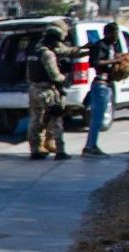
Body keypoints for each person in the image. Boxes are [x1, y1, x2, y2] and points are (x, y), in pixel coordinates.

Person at [25, 21, 79, 160]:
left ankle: (35, 150)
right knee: (56, 121)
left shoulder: (35, 50)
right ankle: (60, 151)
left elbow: (28, 74)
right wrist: (64, 78)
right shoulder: (48, 55)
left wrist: (80, 50)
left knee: (35, 121)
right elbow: (55, 76)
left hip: (33, 89)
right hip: (47, 91)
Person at [83, 22, 120, 156]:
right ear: (107, 34)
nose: (116, 36)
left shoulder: (112, 46)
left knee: (99, 118)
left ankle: (92, 145)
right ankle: (90, 147)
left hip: (108, 85)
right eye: (113, 34)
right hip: (100, 85)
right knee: (97, 118)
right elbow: (94, 62)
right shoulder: (100, 45)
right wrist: (113, 62)